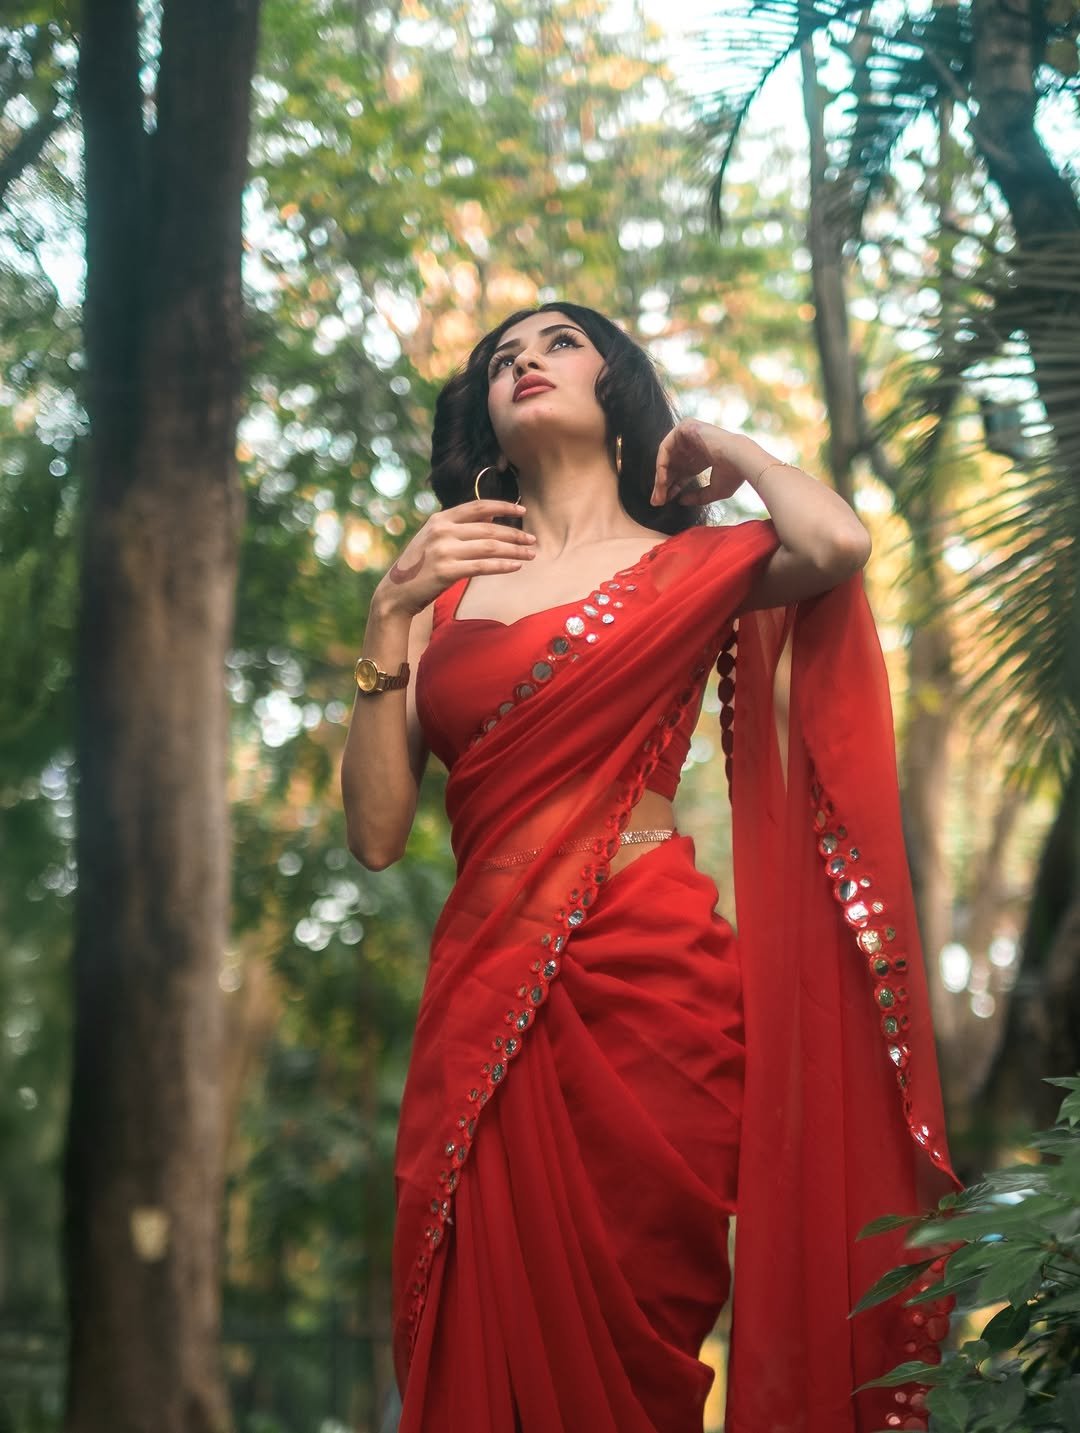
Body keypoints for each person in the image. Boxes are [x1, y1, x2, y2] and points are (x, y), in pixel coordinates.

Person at [341, 303, 963, 1433]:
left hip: (649, 984)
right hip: (484, 996)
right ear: (481, 412)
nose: (524, 360)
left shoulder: (691, 561)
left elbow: (835, 545)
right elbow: (378, 834)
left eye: (557, 343)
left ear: (616, 384)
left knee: (639, 1324)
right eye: (500, 358)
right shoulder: (444, 591)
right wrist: (386, 613)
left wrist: (729, 453)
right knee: (475, 1309)